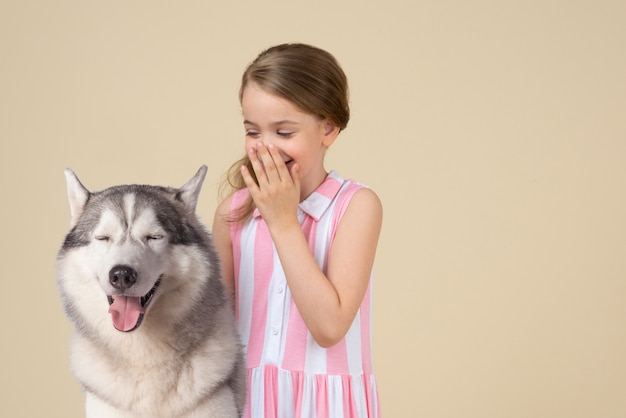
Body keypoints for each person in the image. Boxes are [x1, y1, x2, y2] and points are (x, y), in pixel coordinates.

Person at [212, 43, 383, 418]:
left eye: (284, 131)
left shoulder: (355, 206)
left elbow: (329, 327)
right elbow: (212, 328)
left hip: (327, 405)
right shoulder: (232, 215)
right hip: (245, 401)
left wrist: (283, 222)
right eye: (253, 131)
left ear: (328, 128)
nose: (266, 147)